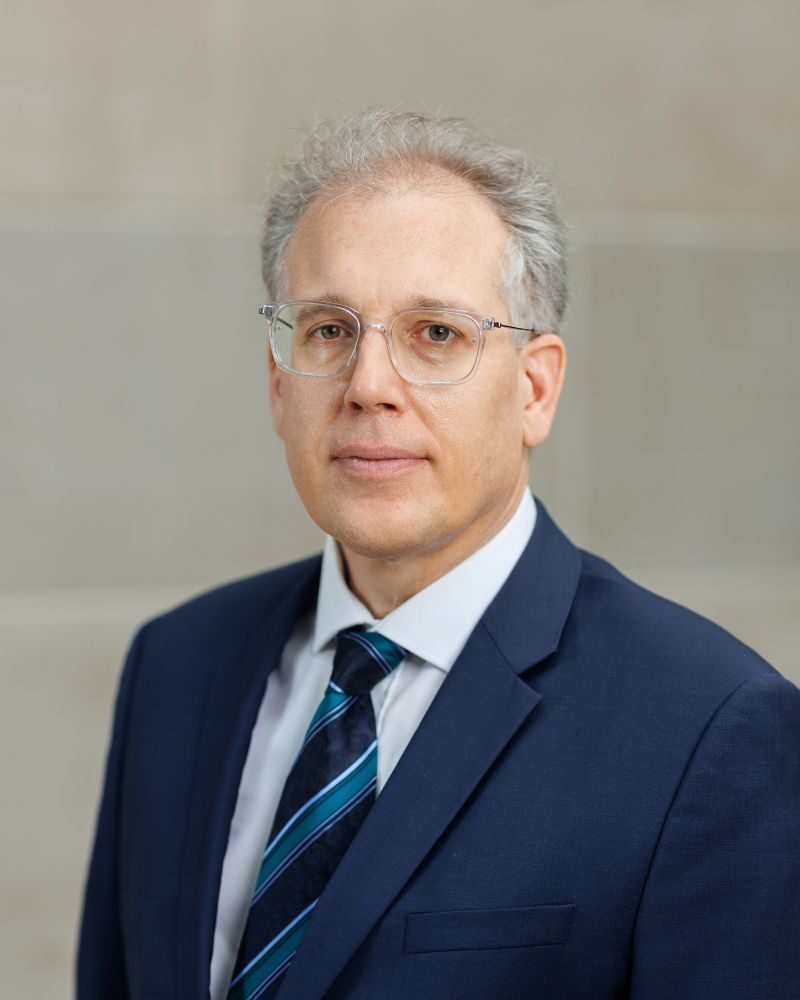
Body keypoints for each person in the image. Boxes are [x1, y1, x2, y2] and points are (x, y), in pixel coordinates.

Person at [77, 109, 800, 1000]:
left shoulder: (711, 729)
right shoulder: (176, 665)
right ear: (278, 385)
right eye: (329, 331)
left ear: (534, 390)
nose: (369, 387)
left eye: (437, 334)